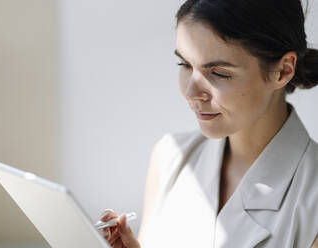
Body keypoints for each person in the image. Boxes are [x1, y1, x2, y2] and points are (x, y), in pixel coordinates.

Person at [99, 0, 318, 247]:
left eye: (219, 73)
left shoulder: (311, 194)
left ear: (283, 71)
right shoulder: (169, 157)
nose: (192, 92)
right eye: (185, 65)